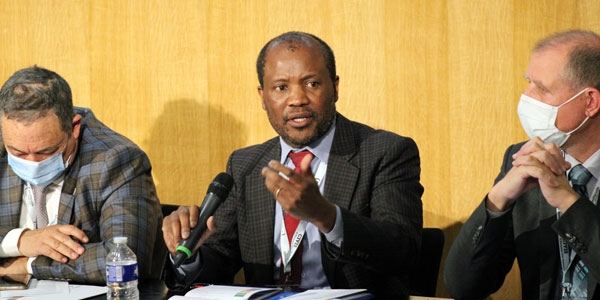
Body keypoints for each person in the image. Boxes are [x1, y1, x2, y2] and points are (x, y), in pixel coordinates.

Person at [162, 31, 423, 298]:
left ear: (335, 87)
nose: (297, 99)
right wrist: (188, 251)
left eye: (311, 84)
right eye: (281, 87)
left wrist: (327, 216)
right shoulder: (245, 165)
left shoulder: (385, 152)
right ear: (263, 97)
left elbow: (404, 250)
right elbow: (220, 260)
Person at [445, 30, 600, 300]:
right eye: (528, 83)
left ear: (590, 102)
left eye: (541, 88)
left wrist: (567, 201)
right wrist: (498, 199)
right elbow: (464, 287)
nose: (526, 97)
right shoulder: (525, 160)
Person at [0, 66, 163, 284]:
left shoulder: (117, 161)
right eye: (18, 152)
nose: (33, 163)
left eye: (46, 151)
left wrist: (28, 265)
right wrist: (20, 241)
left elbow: (124, 258)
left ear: (74, 127)